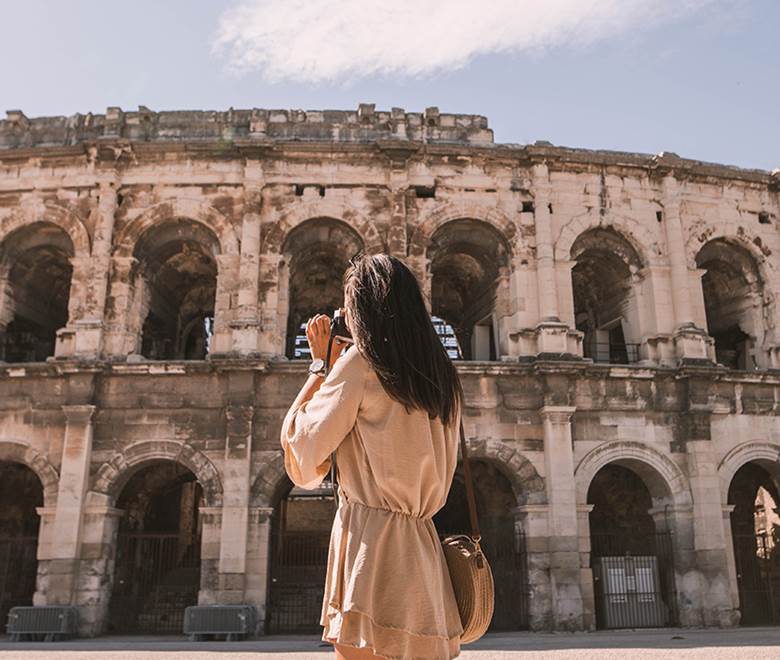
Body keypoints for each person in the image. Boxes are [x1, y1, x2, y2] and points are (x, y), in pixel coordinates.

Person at [280, 253, 465, 660]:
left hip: (372, 544)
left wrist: (319, 366)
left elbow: (302, 450)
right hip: (421, 545)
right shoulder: (443, 376)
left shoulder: (361, 365)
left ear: (363, 309)